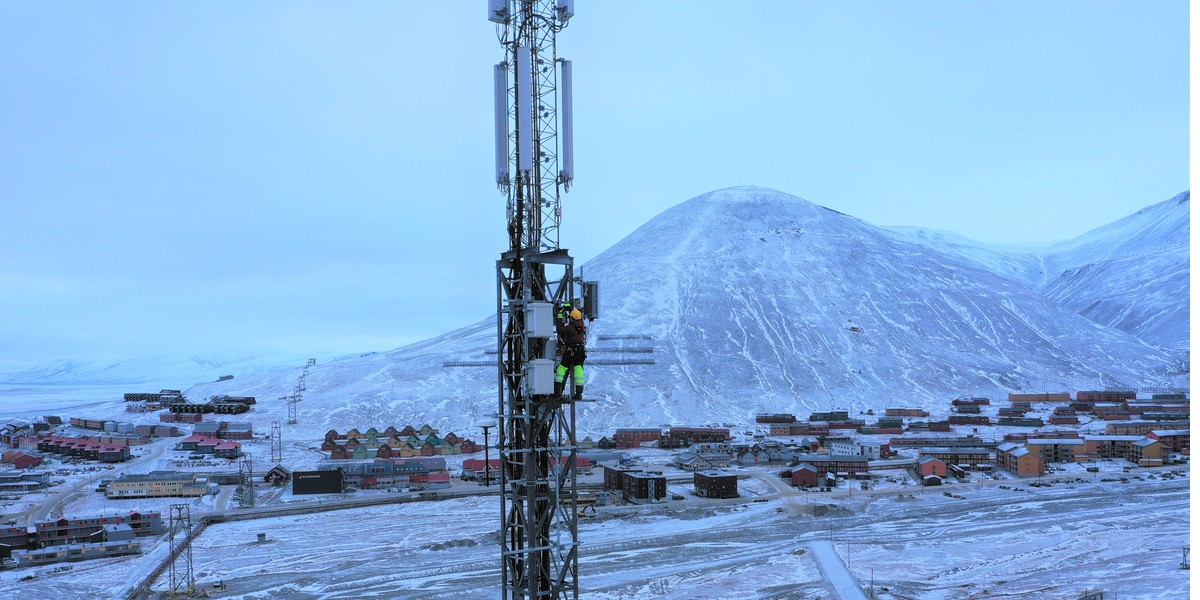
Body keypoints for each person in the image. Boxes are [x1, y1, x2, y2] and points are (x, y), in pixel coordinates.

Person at [554, 306, 588, 400]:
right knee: (579, 372)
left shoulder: (570, 328)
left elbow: (559, 329)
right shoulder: (582, 326)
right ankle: (579, 393)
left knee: (561, 370)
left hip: (571, 353)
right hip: (580, 352)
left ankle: (557, 392)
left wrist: (560, 316)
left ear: (572, 318)